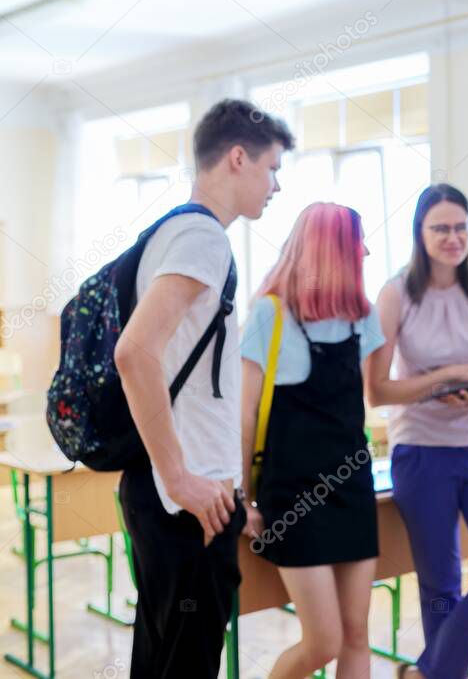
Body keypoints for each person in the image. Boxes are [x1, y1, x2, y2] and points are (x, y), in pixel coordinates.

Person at [115, 98, 293, 678]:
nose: (275, 186)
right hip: (187, 499)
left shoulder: (174, 232)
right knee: (185, 662)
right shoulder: (203, 240)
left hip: (176, 493)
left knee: (163, 657)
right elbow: (133, 354)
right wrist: (182, 479)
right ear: (238, 158)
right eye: (272, 169)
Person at [365, 183, 468, 679]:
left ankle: (426, 672)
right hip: (422, 451)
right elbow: (377, 392)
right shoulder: (395, 294)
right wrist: (442, 380)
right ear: (420, 233)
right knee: (439, 585)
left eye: (462, 227)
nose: (453, 237)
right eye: (441, 228)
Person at [240, 203, 385, 678]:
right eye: (357, 241)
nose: (364, 250)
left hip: (353, 489)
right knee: (324, 642)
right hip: (294, 498)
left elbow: (367, 399)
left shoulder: (363, 317)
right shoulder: (270, 314)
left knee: (357, 635)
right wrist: (244, 499)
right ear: (333, 250)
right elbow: (244, 419)